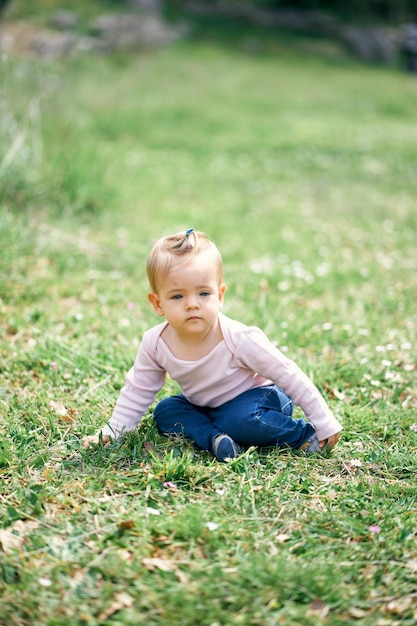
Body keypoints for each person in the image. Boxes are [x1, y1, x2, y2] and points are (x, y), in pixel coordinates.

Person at [83, 228, 342, 461]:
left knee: (241, 419)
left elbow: (287, 373)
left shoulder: (238, 337)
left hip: (259, 399)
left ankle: (301, 435)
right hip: (205, 405)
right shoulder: (155, 342)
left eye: (203, 293)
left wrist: (323, 421)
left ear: (220, 296)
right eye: (177, 296)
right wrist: (113, 432)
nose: (192, 303)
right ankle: (217, 440)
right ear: (157, 303)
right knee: (165, 411)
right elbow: (138, 389)